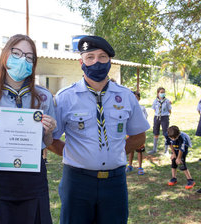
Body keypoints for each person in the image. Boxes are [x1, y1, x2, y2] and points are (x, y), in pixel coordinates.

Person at [48, 36, 150, 224]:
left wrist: (115, 151)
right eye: (90, 57)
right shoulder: (65, 98)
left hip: (115, 181)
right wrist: (76, 154)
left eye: (102, 57)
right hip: (77, 181)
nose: (96, 62)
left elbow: (139, 136)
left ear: (110, 61)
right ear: (81, 62)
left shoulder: (126, 96)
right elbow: (50, 140)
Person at [0, 34, 56, 224]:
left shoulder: (44, 97)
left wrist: (49, 131)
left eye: (29, 57)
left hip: (33, 177)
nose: (22, 60)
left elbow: (48, 143)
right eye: (16, 53)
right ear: (5, 56)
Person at [126, 91, 148, 175]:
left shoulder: (142, 108)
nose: (135, 99)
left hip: (139, 131)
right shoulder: (128, 108)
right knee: (130, 148)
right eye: (133, 97)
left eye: (136, 97)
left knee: (139, 150)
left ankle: (140, 167)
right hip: (130, 131)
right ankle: (130, 165)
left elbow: (145, 118)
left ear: (139, 98)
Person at [148, 87, 171, 155]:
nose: (162, 94)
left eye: (163, 92)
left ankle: (166, 150)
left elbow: (169, 110)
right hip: (157, 117)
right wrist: (158, 114)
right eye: (161, 92)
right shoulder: (155, 101)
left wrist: (166, 116)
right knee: (156, 133)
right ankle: (154, 149)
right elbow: (154, 109)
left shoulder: (167, 101)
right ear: (158, 93)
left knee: (166, 133)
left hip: (165, 117)